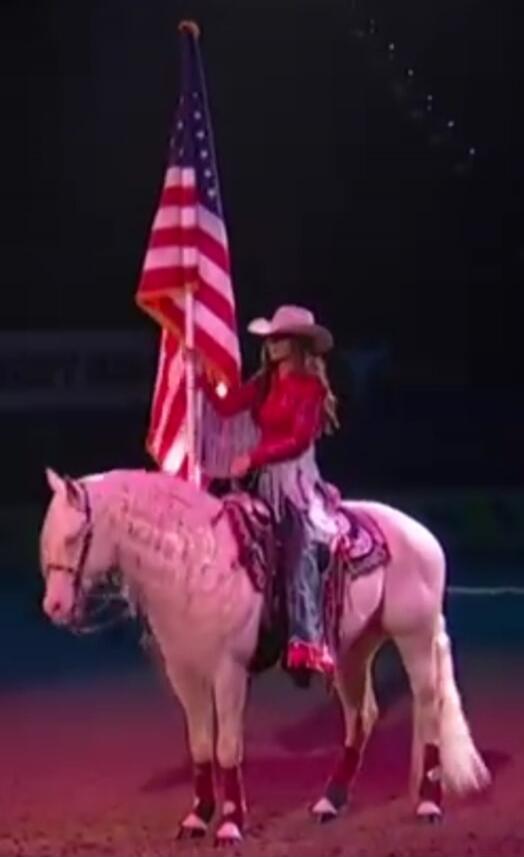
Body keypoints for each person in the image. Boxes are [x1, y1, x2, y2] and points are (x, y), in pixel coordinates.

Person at [199, 305, 340, 680]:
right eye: (271, 339)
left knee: (298, 546)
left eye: (281, 338)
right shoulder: (264, 383)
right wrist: (201, 377)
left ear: (297, 344)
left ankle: (306, 640)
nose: (273, 344)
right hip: (263, 479)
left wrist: (253, 456)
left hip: (295, 481)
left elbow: (299, 439)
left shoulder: (310, 389)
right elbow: (228, 406)